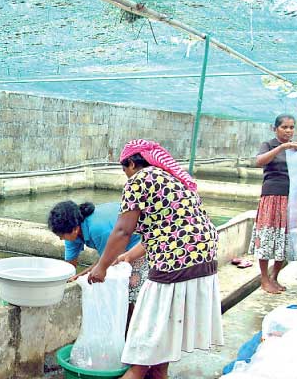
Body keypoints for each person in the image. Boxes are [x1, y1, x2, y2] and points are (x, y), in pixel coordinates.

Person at [88, 139, 223, 379]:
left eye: (125, 170)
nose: (126, 176)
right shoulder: (170, 180)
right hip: (204, 260)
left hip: (176, 262)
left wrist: (101, 267)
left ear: (131, 163)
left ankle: (139, 372)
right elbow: (163, 230)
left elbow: (122, 231)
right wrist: (128, 256)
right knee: (167, 333)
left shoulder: (140, 180)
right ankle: (160, 371)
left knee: (142, 349)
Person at [48, 201, 146, 324]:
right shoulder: (72, 232)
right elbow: (69, 267)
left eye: (61, 235)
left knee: (129, 293)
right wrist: (65, 281)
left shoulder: (97, 229)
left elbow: (107, 261)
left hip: (140, 242)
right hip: (117, 246)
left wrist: (81, 275)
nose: (61, 239)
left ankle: (131, 328)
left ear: (75, 229)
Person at [250, 113, 297, 293]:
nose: (288, 131)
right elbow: (260, 161)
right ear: (275, 128)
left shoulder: (295, 149)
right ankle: (264, 279)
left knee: (285, 239)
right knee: (267, 237)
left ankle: (274, 277)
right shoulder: (269, 145)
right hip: (272, 196)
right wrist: (282, 148)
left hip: (291, 198)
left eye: (292, 127)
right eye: (284, 127)